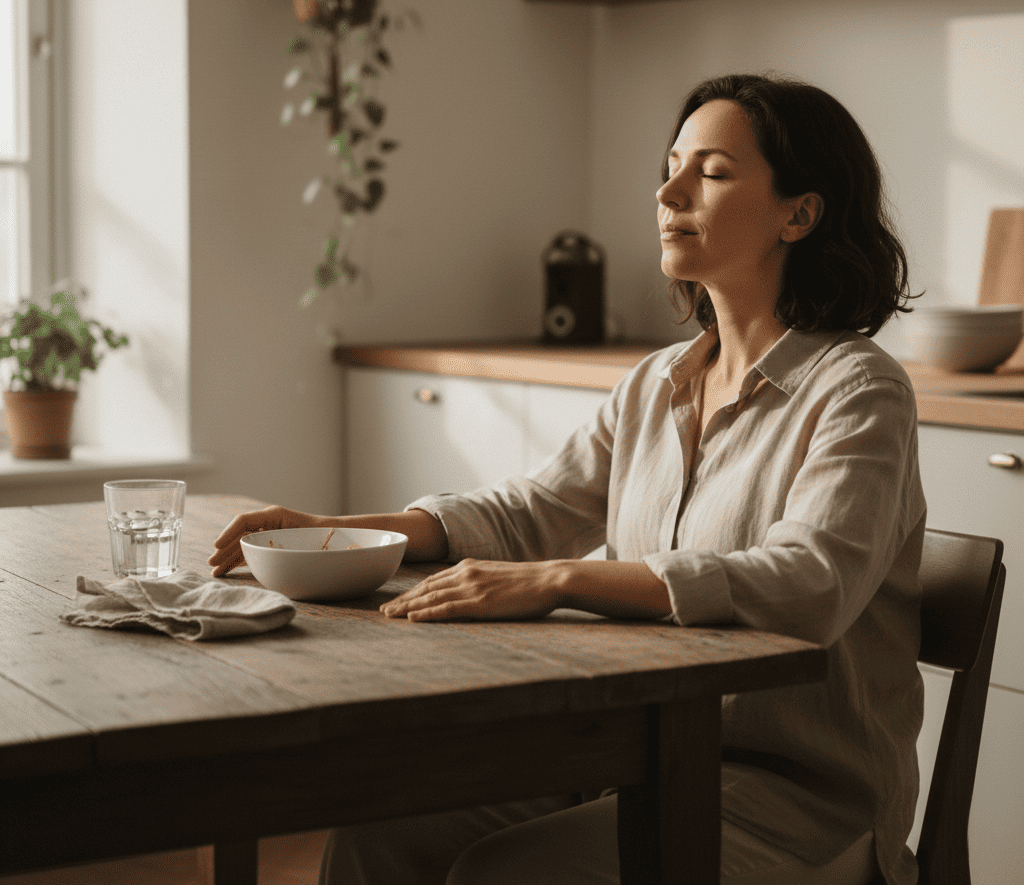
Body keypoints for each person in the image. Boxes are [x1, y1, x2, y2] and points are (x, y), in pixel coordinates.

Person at [210, 73, 926, 885]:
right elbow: (533, 509)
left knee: (508, 873)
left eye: (712, 172)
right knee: (379, 834)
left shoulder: (860, 389)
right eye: (671, 164)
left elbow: (812, 582)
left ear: (800, 213)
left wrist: (556, 580)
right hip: (636, 756)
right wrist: (348, 531)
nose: (668, 190)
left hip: (798, 800)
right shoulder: (655, 382)